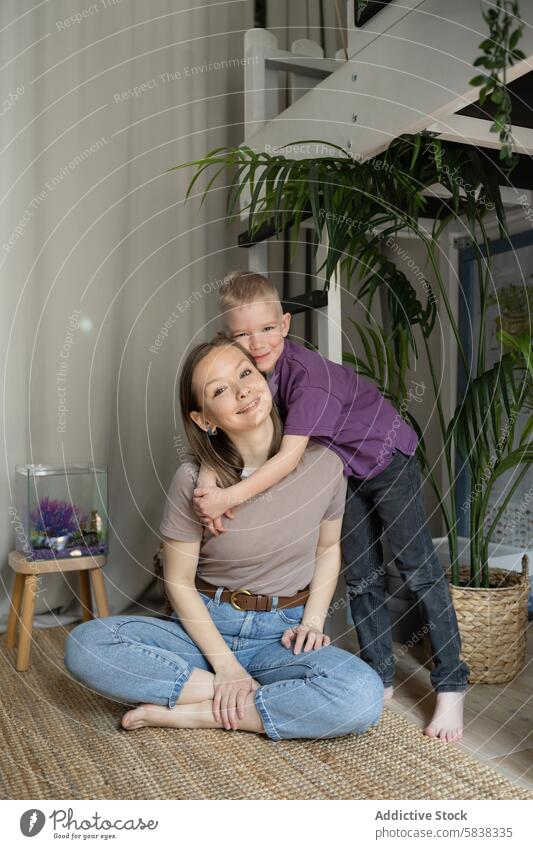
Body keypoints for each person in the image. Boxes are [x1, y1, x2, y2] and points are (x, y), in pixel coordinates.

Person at [192, 271, 469, 743]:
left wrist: (229, 497)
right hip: (342, 471)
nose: (255, 343)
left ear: (285, 324)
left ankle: (452, 685)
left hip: (385, 458)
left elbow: (289, 456)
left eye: (264, 329)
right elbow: (221, 433)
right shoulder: (251, 376)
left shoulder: (309, 379)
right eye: (241, 333)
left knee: (416, 568)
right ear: (227, 336)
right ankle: (379, 673)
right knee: (361, 574)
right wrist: (205, 481)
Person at [64, 336, 384, 740]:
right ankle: (244, 695)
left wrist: (315, 620)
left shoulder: (326, 465)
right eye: (219, 390)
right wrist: (227, 668)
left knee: (361, 695)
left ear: (265, 380)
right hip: (204, 628)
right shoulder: (194, 482)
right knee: (87, 646)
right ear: (204, 420)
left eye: (246, 373)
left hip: (280, 637)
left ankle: (201, 712)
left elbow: (327, 548)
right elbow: (178, 581)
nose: (242, 390)